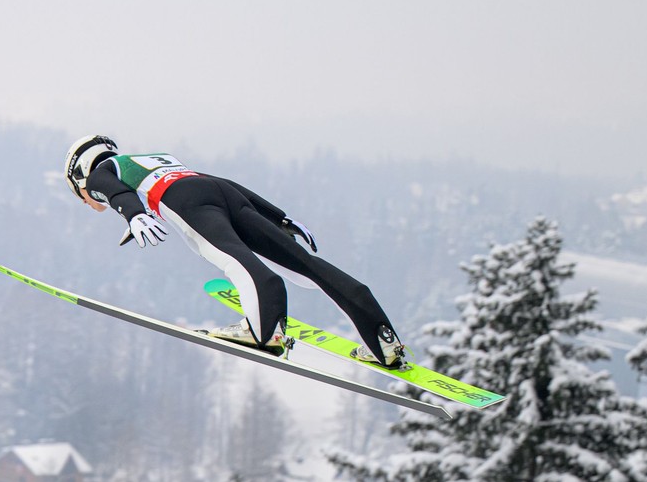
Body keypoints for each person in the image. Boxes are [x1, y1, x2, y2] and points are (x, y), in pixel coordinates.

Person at [63, 134, 404, 366]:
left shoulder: (99, 173)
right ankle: (382, 339)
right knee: (306, 266)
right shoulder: (151, 158)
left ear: (79, 174)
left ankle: (263, 331)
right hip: (221, 192)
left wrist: (134, 214)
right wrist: (279, 218)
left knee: (235, 259)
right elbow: (224, 183)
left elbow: (111, 190)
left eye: (79, 193)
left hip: (186, 200)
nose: (86, 200)